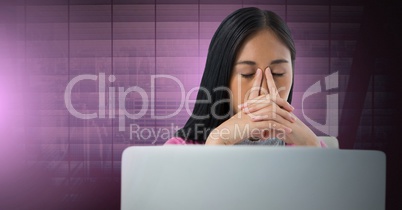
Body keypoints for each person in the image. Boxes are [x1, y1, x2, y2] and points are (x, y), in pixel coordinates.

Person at [165, 7, 326, 147]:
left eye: (278, 73)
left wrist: (312, 148)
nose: (263, 90)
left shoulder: (311, 146)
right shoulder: (178, 150)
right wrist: (219, 141)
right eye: (247, 74)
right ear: (221, 76)